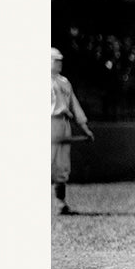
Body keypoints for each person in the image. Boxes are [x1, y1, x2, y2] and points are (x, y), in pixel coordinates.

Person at [51, 47, 94, 215]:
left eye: (60, 60)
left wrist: (85, 128)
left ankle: (61, 204)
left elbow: (74, 107)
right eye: (55, 60)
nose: (58, 63)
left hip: (63, 124)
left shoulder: (64, 82)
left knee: (61, 165)